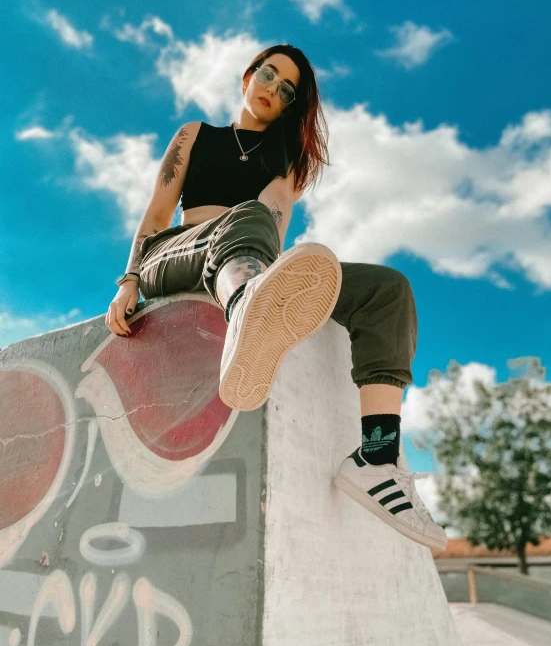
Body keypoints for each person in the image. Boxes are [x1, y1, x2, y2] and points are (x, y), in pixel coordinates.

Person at [105, 44, 447, 552]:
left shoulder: (284, 162)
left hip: (244, 260)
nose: (273, 89)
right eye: (268, 75)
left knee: (387, 289)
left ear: (290, 106)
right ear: (248, 77)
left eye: (287, 90)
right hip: (172, 258)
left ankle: (377, 456)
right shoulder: (196, 135)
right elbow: (157, 215)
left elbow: (273, 220)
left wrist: (269, 268)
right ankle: (247, 313)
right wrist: (128, 278)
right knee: (247, 220)